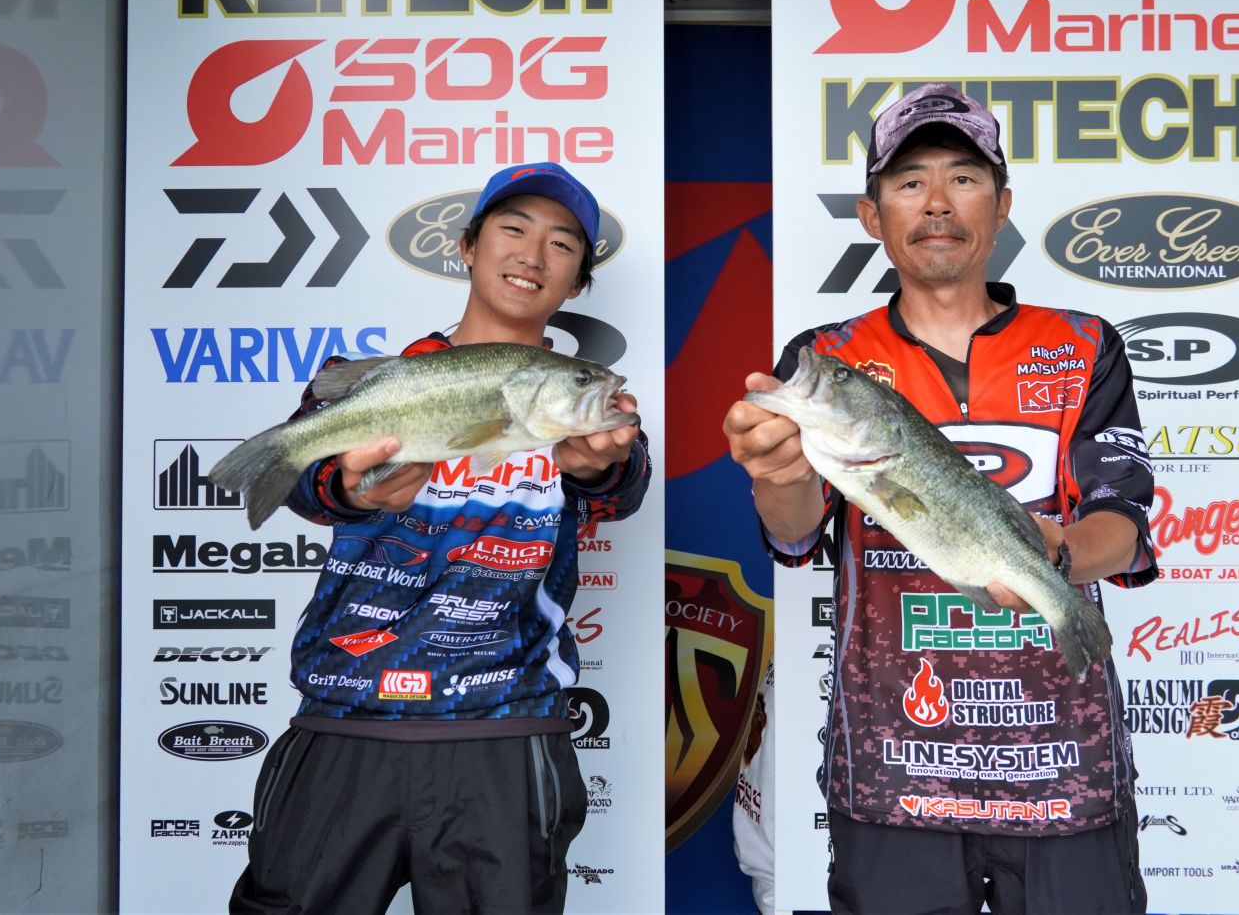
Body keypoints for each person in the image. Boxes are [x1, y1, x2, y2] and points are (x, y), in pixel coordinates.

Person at [723, 85, 1157, 915]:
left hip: (1064, 759)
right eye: (909, 181)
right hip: (892, 761)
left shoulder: (1084, 345)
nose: (936, 203)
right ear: (871, 214)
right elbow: (796, 537)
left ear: (1001, 205)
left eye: (962, 178)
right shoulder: (827, 358)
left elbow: (1125, 525)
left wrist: (1053, 553)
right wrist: (778, 478)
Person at [231, 162, 650, 915]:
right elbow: (306, 482)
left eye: (561, 245)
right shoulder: (387, 378)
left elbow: (621, 487)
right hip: (346, 717)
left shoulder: (589, 406)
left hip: (507, 730)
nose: (532, 254)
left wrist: (599, 467)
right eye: (513, 229)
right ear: (467, 247)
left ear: (578, 283)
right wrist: (351, 491)